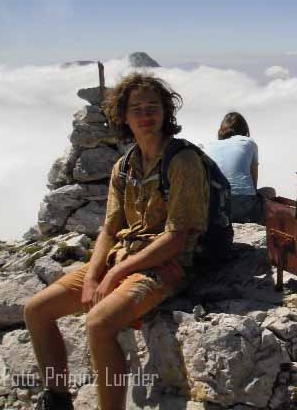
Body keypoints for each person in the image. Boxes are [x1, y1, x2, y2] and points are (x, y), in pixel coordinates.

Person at [24, 74, 209, 410]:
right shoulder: (124, 167)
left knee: (98, 323)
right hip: (124, 258)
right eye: (136, 108)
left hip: (166, 266)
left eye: (152, 107)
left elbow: (176, 237)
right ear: (123, 116)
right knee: (36, 310)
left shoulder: (183, 161)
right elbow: (109, 231)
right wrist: (94, 275)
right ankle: (58, 398)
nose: (145, 115)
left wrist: (114, 275)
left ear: (165, 112)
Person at [205, 112, 275, 224]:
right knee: (270, 191)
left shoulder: (209, 145)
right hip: (242, 205)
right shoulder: (248, 143)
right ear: (244, 130)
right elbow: (253, 183)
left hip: (215, 207)